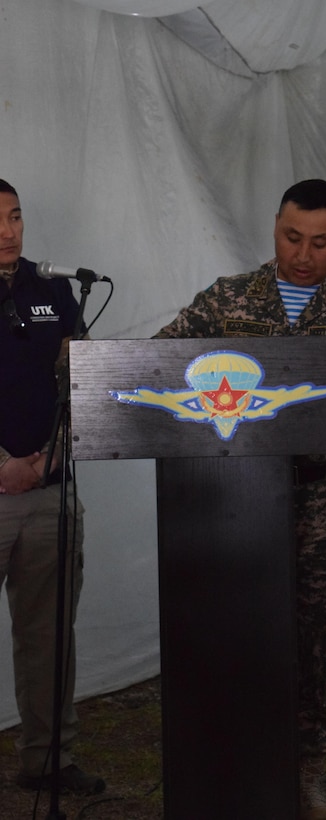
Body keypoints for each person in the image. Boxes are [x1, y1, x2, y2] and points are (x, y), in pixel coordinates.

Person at [153, 179, 326, 820]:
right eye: (291, 237)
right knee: (234, 637)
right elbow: (160, 356)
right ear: (275, 226)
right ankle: (234, 768)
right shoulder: (228, 299)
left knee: (320, 643)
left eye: (320, 243)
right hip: (231, 507)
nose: (303, 254)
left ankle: (305, 777)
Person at [0, 179, 105, 795]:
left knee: (47, 635)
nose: (9, 231)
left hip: (49, 489)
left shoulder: (56, 291)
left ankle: (48, 759)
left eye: (15, 217)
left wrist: (49, 459)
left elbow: (81, 386)